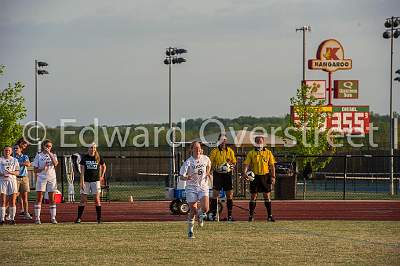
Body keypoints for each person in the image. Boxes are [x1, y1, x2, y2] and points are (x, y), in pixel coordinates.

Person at [179, 141, 212, 239]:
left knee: (206, 208)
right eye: (195, 148)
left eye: (199, 148)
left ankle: (201, 215)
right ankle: (190, 232)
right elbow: (181, 176)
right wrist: (186, 177)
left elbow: (209, 165)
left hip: (203, 186)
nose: (198, 150)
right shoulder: (188, 162)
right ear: (192, 149)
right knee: (193, 210)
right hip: (191, 188)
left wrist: (208, 172)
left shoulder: (205, 158)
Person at [243, 135, 276, 222]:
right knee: (254, 196)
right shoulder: (251, 153)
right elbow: (247, 164)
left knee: (267, 195)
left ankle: (270, 216)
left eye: (260, 141)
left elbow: (272, 166)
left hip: (265, 176)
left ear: (263, 142)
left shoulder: (268, 152)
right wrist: (244, 172)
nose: (259, 143)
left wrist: (273, 176)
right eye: (257, 141)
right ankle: (251, 216)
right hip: (255, 177)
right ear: (255, 143)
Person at [75, 143, 106, 224]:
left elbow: (104, 166)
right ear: (88, 149)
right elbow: (82, 171)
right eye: (91, 148)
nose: (93, 149)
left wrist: (102, 176)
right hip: (86, 181)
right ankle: (79, 218)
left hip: (95, 181)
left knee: (97, 200)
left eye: (94, 148)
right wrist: (81, 182)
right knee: (83, 200)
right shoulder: (84, 158)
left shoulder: (98, 157)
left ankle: (99, 219)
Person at [209, 134, 237, 221]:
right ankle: (214, 215)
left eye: (224, 140)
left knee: (229, 195)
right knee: (215, 194)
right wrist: (215, 168)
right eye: (221, 140)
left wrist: (231, 166)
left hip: (227, 175)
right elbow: (210, 163)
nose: (223, 141)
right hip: (217, 174)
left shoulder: (230, 151)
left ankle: (229, 216)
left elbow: (234, 162)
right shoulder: (214, 151)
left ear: (226, 141)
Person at [32, 139, 59, 224]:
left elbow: (55, 164)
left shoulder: (53, 155)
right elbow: (35, 170)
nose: (48, 148)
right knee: (39, 198)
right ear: (43, 146)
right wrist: (42, 169)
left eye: (50, 146)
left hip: (51, 178)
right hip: (41, 178)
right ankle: (37, 218)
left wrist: (50, 154)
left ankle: (53, 218)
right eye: (47, 146)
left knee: (52, 198)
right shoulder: (39, 156)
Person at [0, 146, 20, 225]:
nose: (7, 151)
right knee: (2, 201)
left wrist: (11, 172)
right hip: (2, 181)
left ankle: (12, 219)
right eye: (6, 150)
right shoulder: (0, 159)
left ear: (11, 152)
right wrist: (2, 174)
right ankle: (2, 219)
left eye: (9, 150)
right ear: (3, 151)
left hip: (12, 181)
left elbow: (17, 172)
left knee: (12, 201)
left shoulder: (15, 160)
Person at [13, 144, 32, 220]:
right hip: (15, 178)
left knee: (25, 197)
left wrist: (18, 164)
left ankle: (26, 213)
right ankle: (11, 214)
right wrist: (22, 164)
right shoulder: (13, 158)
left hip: (24, 178)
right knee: (13, 197)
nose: (15, 149)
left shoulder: (24, 156)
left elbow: (28, 164)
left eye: (17, 148)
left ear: (21, 149)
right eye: (14, 148)